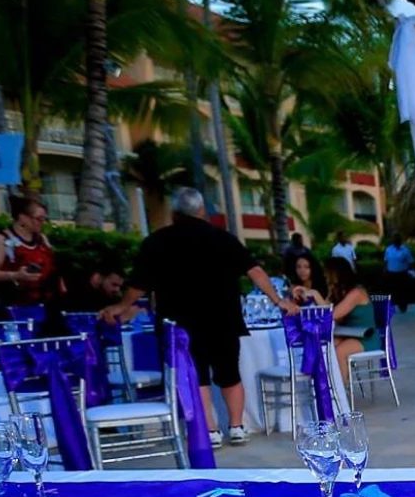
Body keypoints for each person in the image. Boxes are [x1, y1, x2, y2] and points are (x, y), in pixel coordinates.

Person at [101, 187, 293, 445]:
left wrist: (122, 306)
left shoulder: (157, 241)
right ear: (202, 210)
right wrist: (278, 300)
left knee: (196, 376)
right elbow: (255, 272)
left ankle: (210, 430)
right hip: (222, 319)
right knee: (229, 374)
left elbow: (139, 284)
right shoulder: (223, 238)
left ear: (174, 213)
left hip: (180, 322)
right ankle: (236, 427)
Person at [0, 195, 60, 310]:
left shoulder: (41, 239)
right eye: (38, 219)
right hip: (15, 305)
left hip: (44, 303)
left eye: (44, 219)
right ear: (22, 218)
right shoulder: (1, 239)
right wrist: (16, 275)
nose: (42, 223)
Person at [322, 256, 375, 366]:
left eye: (327, 273)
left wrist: (316, 295)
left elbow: (332, 314)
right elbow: (336, 318)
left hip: (365, 336)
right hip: (349, 334)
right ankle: (329, 381)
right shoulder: (341, 292)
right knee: (325, 347)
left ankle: (341, 383)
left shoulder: (356, 293)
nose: (325, 276)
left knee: (339, 352)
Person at [383, 236, 415, 311]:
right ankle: (393, 304)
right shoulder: (389, 249)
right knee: (393, 289)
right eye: (394, 240)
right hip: (391, 273)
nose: (395, 241)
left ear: (400, 241)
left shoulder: (405, 250)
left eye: (397, 240)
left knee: (402, 290)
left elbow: (411, 262)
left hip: (402, 273)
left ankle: (403, 305)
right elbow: (385, 261)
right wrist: (384, 270)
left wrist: (413, 271)